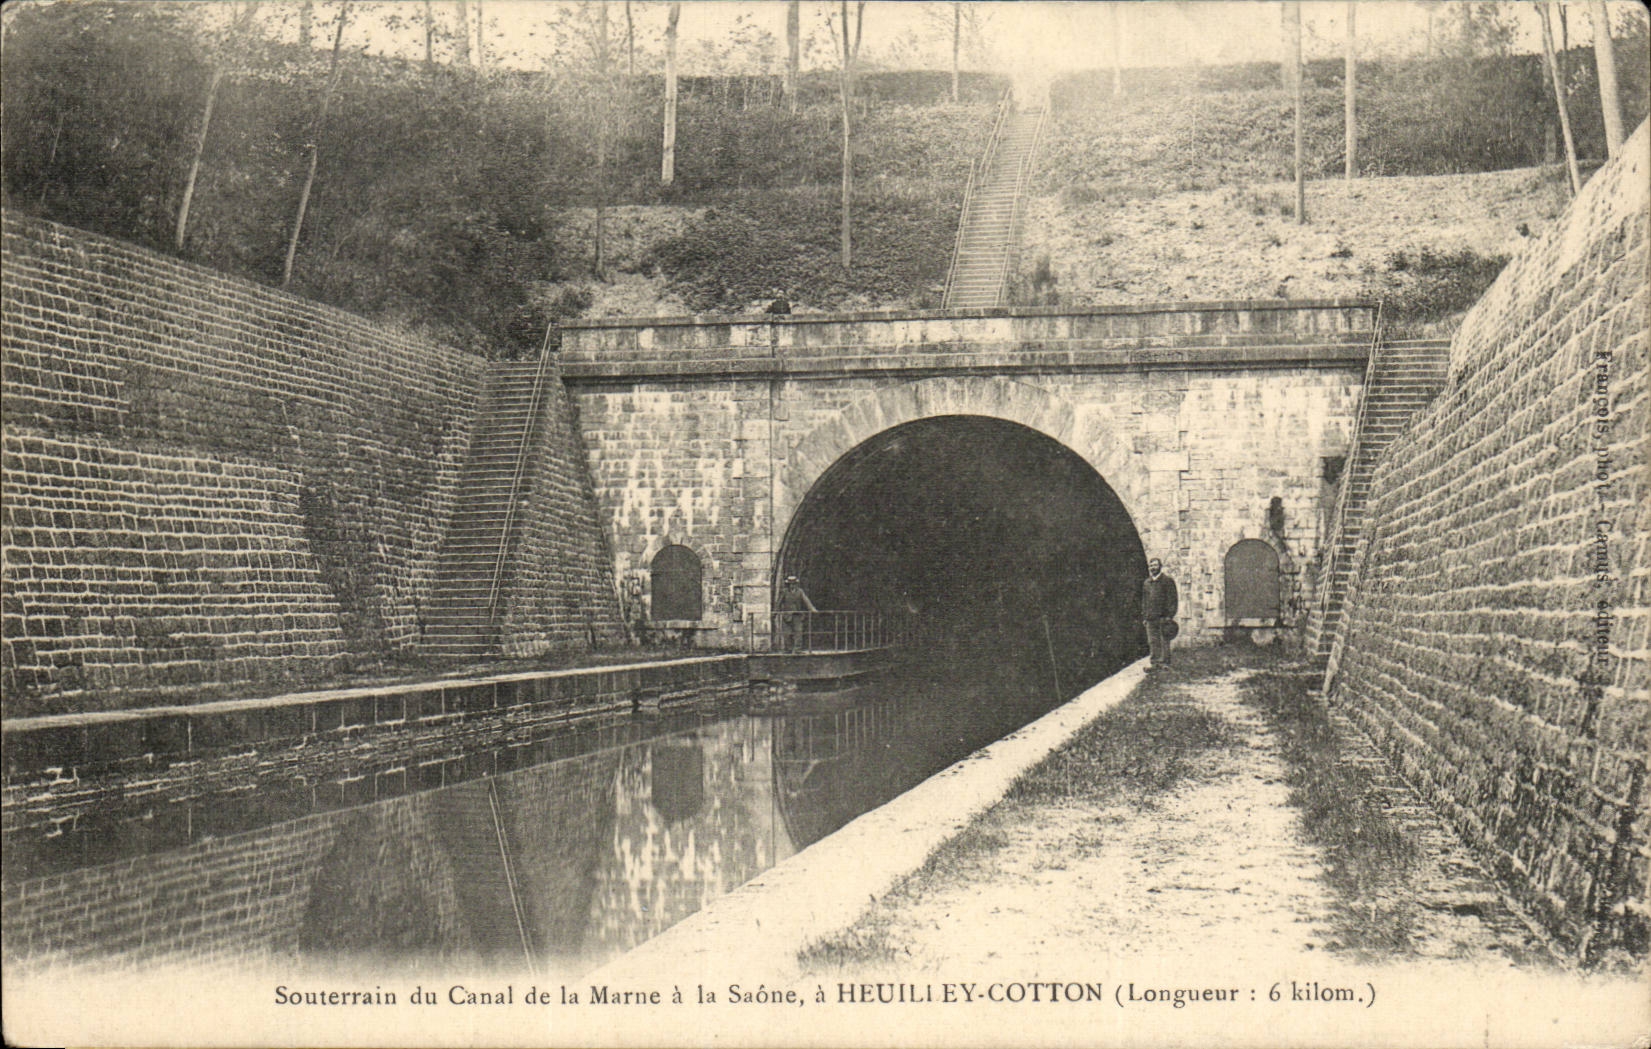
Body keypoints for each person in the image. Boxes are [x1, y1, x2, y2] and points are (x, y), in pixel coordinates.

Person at [1141, 558, 1179, 670]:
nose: (1153, 567)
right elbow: (1144, 600)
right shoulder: (1147, 583)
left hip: (1163, 617)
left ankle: (1165, 663)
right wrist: (1145, 616)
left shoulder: (1167, 581)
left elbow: (1173, 599)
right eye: (1151, 565)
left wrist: (1169, 616)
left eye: (1155, 565)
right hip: (1150, 617)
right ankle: (1154, 663)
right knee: (1152, 641)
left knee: (1164, 640)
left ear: (1160, 566)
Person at [776, 575, 816, 653]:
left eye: (793, 584)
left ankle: (797, 649)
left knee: (798, 632)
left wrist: (812, 609)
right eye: (790, 584)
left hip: (797, 615)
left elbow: (806, 601)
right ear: (788, 585)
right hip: (787, 616)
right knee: (787, 633)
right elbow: (779, 602)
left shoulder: (800, 591)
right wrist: (775, 612)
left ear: (796, 584)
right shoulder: (784, 592)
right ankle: (788, 649)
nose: (792, 585)